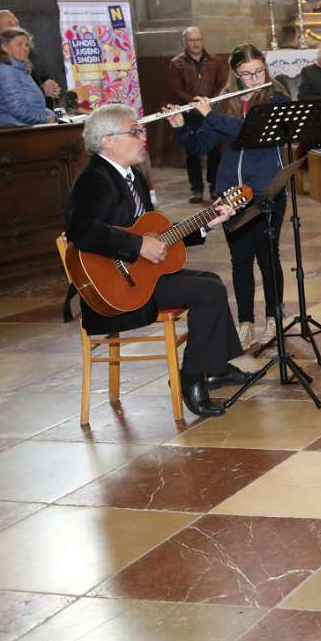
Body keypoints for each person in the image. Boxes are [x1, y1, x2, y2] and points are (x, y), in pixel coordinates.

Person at [65, 104, 251, 417]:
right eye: (135, 132)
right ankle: (191, 378)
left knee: (210, 281)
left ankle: (215, 367)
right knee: (208, 292)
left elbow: (157, 234)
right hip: (115, 289)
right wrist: (138, 245)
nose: (143, 138)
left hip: (139, 277)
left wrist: (207, 222)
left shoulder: (133, 176)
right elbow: (82, 231)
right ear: (108, 141)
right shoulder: (94, 179)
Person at [167, 45, 289, 354]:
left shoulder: (276, 99)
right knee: (240, 259)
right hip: (232, 196)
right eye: (247, 74)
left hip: (267, 191)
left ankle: (274, 319)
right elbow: (200, 146)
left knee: (268, 257)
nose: (254, 78)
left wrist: (211, 115)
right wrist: (181, 128)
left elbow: (251, 132)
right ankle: (245, 323)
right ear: (236, 75)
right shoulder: (226, 103)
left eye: (259, 71)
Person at [168, 27, 228, 203]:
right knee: (192, 153)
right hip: (190, 112)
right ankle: (196, 189)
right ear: (185, 42)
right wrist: (195, 102)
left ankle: (215, 186)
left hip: (211, 111)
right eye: (191, 40)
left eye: (198, 39)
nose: (196, 43)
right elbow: (176, 88)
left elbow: (222, 84)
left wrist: (211, 101)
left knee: (215, 151)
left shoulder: (214, 60)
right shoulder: (177, 63)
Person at [0, 28, 55, 126]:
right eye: (19, 44)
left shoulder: (20, 69)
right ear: (4, 47)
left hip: (27, 127)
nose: (25, 48)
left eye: (27, 45)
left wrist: (50, 114)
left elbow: (35, 107)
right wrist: (45, 119)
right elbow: (18, 110)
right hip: (16, 130)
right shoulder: (5, 71)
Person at [0, 9, 59, 100]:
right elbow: (14, 99)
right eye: (9, 24)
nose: (16, 27)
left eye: (17, 23)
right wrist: (42, 91)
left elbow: (37, 74)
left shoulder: (23, 51)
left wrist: (48, 84)